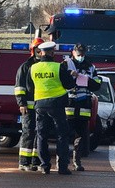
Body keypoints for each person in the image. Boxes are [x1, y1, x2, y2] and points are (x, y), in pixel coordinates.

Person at [27, 41, 75, 175]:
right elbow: (69, 85)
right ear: (52, 52)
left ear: (41, 53)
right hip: (57, 105)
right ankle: (62, 167)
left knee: (42, 135)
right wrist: (72, 76)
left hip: (40, 105)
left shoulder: (33, 68)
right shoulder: (58, 67)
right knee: (62, 135)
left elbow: (30, 88)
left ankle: (45, 166)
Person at [64, 44, 101, 171]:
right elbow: (61, 81)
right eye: (79, 54)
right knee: (64, 134)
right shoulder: (66, 64)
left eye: (83, 54)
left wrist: (87, 80)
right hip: (69, 103)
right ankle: (62, 161)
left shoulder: (90, 67)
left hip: (84, 104)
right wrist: (71, 76)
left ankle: (77, 161)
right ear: (73, 52)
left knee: (81, 135)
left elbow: (97, 85)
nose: (81, 56)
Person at [14, 38, 43, 171]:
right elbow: (19, 87)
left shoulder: (45, 65)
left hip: (41, 106)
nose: (39, 50)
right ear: (33, 49)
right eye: (37, 47)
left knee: (39, 133)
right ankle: (24, 162)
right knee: (28, 132)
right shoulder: (25, 67)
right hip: (29, 107)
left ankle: (35, 162)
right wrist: (22, 103)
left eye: (41, 48)